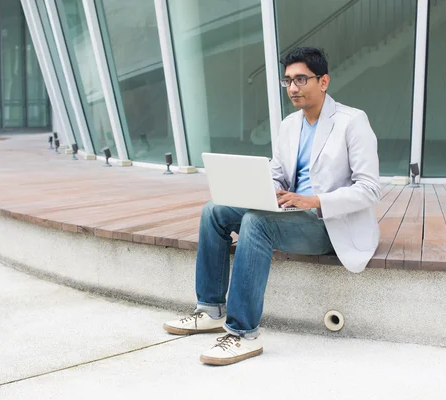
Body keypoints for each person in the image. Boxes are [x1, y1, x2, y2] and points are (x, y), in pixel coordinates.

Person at [163, 47, 381, 366]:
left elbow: (370, 189)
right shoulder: (289, 125)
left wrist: (315, 200)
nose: (293, 88)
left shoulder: (352, 121)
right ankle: (210, 310)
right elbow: (279, 174)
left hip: (329, 224)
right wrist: (265, 187)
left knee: (256, 222)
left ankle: (243, 333)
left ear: (323, 81)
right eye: (288, 81)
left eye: (301, 79)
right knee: (215, 210)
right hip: (291, 213)